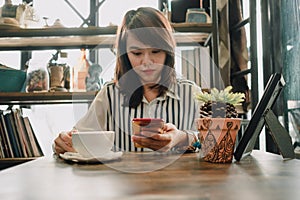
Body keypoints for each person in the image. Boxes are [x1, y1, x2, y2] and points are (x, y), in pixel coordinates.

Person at [53, 7, 201, 154]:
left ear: (168, 52)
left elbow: (216, 142)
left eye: (155, 51)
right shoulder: (110, 94)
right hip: (122, 177)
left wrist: (183, 138)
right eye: (137, 53)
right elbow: (78, 139)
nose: (147, 62)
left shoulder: (190, 93)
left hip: (179, 178)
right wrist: (62, 143)